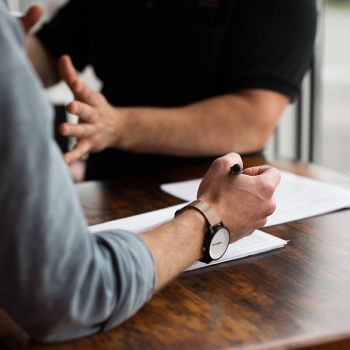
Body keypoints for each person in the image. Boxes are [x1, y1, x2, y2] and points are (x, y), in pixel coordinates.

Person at [0, 1, 281, 343]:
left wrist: (117, 125)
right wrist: (212, 219)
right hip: (110, 200)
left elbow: (253, 119)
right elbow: (71, 291)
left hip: (226, 195)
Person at [25, 0, 317, 180]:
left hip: (213, 199)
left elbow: (252, 119)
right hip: (108, 188)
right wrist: (9, 49)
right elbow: (51, 55)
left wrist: (117, 126)